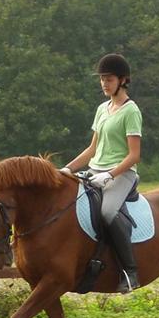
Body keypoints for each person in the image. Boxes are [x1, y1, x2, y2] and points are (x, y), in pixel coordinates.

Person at [60, 53, 142, 292]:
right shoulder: (102, 109)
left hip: (121, 174)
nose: (104, 84)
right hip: (94, 171)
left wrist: (110, 175)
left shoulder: (131, 111)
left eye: (108, 79)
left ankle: (130, 272)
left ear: (122, 80)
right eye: (102, 79)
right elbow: (92, 148)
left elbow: (134, 155)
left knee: (107, 212)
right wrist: (67, 169)